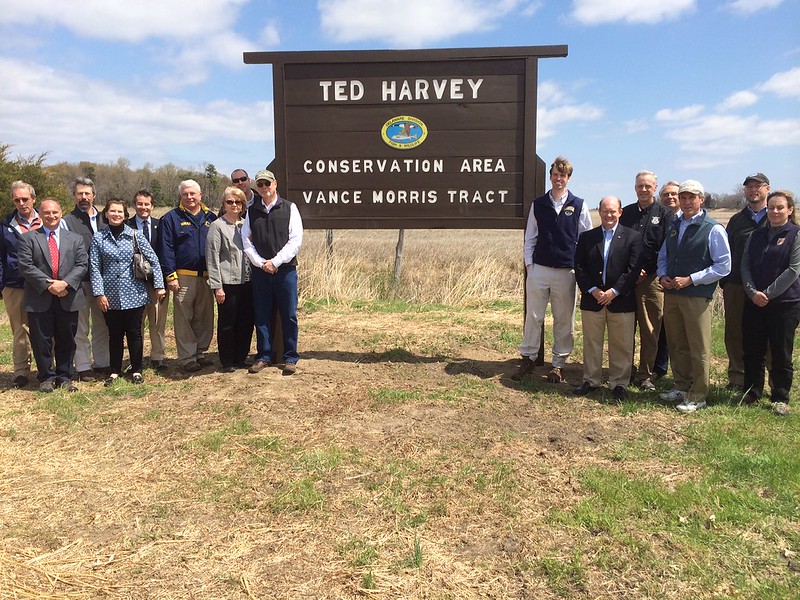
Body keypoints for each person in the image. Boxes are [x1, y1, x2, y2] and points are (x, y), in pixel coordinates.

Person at [513, 156, 593, 383]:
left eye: (563, 176)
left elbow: (586, 239)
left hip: (566, 272)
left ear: (568, 178)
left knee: (563, 320)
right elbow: (530, 237)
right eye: (556, 175)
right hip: (539, 269)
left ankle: (558, 364)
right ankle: (527, 358)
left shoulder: (579, 205)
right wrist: (530, 265)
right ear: (550, 177)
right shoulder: (538, 204)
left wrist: (579, 268)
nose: (559, 179)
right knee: (534, 316)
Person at [657, 180, 731, 413]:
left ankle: (698, 394)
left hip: (697, 296)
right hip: (672, 293)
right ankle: (681, 385)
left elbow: (724, 265)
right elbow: (663, 256)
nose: (687, 202)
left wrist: (692, 279)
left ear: (702, 199)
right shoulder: (674, 225)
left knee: (698, 347)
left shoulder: (713, 229)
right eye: (683, 197)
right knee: (677, 343)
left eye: (692, 197)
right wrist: (662, 276)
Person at [90, 199, 165, 385]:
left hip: (135, 293)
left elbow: (153, 261)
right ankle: (115, 370)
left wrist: (159, 285)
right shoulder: (99, 238)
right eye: (112, 211)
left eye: (120, 212)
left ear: (125, 215)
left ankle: (137, 369)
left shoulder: (135, 235)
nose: (116, 215)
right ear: (105, 214)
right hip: (110, 295)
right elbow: (94, 268)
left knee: (134, 333)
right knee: (114, 334)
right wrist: (99, 294)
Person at [574, 196, 642, 400]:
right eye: (605, 210)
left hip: (620, 300)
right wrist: (593, 289)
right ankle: (590, 380)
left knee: (621, 344)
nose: (609, 214)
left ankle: (619, 383)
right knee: (592, 342)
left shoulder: (633, 237)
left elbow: (633, 269)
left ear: (620, 212)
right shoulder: (588, 237)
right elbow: (579, 267)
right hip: (592, 299)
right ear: (599, 212)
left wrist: (614, 291)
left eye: (613, 211)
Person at [17, 199, 88, 393]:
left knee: (67, 339)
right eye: (47, 213)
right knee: (42, 340)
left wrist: (64, 283)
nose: (52, 216)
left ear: (60, 213)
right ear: (40, 214)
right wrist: (50, 286)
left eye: (55, 212)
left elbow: (82, 264)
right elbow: (26, 267)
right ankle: (46, 378)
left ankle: (65, 376)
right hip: (40, 297)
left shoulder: (74, 239)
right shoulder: (28, 239)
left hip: (68, 296)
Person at [741, 190, 800, 416]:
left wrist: (767, 294)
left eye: (780, 208)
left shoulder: (795, 234)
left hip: (785, 303)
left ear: (789, 210)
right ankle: (752, 392)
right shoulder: (756, 235)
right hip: (754, 301)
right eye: (771, 208)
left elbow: (793, 270)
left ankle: (780, 396)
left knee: (780, 352)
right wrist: (752, 292)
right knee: (753, 349)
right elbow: (745, 265)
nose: (774, 211)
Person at [242, 169, 303, 375]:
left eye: (267, 183)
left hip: (285, 271)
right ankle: (263, 356)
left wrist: (275, 261)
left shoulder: (289, 208)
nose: (264, 188)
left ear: (275, 184)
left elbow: (295, 240)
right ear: (257, 187)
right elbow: (246, 241)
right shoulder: (252, 211)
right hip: (261, 272)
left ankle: (290, 357)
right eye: (260, 184)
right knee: (262, 315)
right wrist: (261, 263)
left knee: (289, 315)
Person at [619, 171, 672, 391]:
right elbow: (619, 243)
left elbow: (665, 248)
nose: (643, 189)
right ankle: (625, 371)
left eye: (648, 186)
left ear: (655, 187)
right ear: (634, 187)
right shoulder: (627, 213)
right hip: (626, 279)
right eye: (640, 186)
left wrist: (646, 270)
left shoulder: (665, 214)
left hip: (651, 279)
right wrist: (630, 271)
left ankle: (645, 375)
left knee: (650, 328)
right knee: (625, 327)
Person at [157, 180, 217, 372]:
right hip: (183, 275)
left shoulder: (211, 217)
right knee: (184, 318)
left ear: (200, 195)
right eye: (185, 194)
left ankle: (200, 352)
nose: (190, 197)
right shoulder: (171, 218)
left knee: (204, 316)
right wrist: (170, 276)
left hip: (207, 275)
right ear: (181, 196)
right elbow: (166, 249)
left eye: (193, 194)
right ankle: (187, 357)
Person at [721, 172, 770, 392]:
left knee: (770, 334)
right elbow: (726, 252)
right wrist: (726, 282)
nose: (753, 190)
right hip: (737, 285)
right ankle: (737, 378)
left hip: (769, 288)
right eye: (749, 187)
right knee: (735, 332)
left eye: (757, 186)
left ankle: (773, 381)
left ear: (767, 189)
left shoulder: (778, 216)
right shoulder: (737, 220)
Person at [63, 177, 109, 381]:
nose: (83, 197)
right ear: (74, 196)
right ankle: (83, 367)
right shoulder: (67, 221)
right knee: (81, 327)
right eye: (79, 193)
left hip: (104, 283)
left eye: (87, 193)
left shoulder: (105, 218)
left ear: (94, 196)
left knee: (103, 324)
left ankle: (102, 363)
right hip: (79, 283)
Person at [207, 187, 254, 372]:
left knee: (246, 322)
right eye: (230, 202)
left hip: (248, 282)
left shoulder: (245, 225)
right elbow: (212, 257)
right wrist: (217, 287)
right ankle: (227, 361)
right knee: (228, 323)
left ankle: (241, 358)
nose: (234, 205)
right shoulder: (217, 226)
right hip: (228, 283)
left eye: (238, 202)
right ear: (224, 204)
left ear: (243, 205)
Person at [1, 181, 42, 388]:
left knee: (46, 326)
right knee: (19, 329)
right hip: (15, 284)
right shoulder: (6, 224)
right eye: (17, 199)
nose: (21, 203)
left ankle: (48, 367)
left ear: (33, 199)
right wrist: (3, 284)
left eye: (25, 199)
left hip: (44, 283)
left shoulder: (46, 220)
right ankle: (21, 371)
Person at [128, 189, 168, 370]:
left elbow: (166, 253)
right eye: (140, 204)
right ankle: (135, 358)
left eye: (147, 204)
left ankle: (157, 356)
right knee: (135, 323)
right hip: (133, 283)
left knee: (157, 320)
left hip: (156, 283)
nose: (143, 207)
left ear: (152, 206)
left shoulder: (161, 225)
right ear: (134, 205)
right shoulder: (126, 226)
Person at [651, 180, 681, 381]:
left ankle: (680, 373)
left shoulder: (686, 220)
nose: (670, 197)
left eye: (674, 194)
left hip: (683, 281)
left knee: (677, 328)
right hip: (659, 278)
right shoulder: (659, 217)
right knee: (660, 325)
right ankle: (658, 368)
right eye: (666, 194)